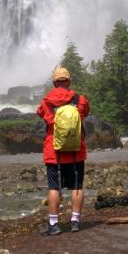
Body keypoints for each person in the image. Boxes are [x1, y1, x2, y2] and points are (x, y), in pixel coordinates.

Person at [37, 66, 90, 235]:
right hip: (76, 151)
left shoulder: (47, 101)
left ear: (54, 82)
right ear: (69, 81)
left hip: (55, 153)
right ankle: (75, 221)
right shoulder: (79, 99)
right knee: (77, 186)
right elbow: (85, 112)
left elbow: (40, 114)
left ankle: (54, 224)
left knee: (54, 187)